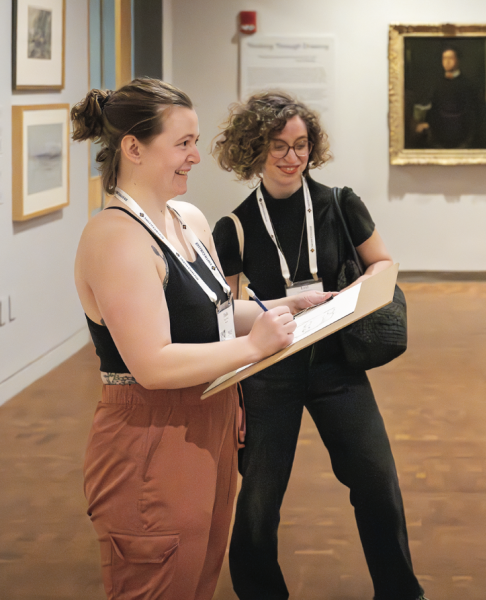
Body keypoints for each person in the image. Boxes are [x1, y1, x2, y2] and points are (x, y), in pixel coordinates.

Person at [72, 78, 330, 600]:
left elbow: (213, 316)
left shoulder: (186, 219)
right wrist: (254, 348)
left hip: (209, 417)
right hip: (150, 434)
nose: (195, 156)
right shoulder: (115, 237)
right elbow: (153, 365)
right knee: (159, 584)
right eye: (183, 143)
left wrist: (283, 307)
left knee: (197, 580)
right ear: (134, 148)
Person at [212, 92, 426, 600]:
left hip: (336, 361)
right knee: (259, 499)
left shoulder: (339, 203)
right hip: (269, 370)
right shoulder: (234, 227)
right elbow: (224, 314)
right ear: (254, 149)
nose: (293, 157)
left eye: (302, 145)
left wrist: (357, 293)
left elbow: (382, 263)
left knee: (377, 481)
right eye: (279, 146)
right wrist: (234, 394)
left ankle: (400, 592)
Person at [413, 45, 481, 148]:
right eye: (444, 58)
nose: (447, 62)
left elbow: (472, 116)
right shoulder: (437, 84)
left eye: (451, 58)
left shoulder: (467, 85)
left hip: (461, 136)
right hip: (439, 136)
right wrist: (427, 124)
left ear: (458, 60)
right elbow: (433, 109)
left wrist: (467, 142)